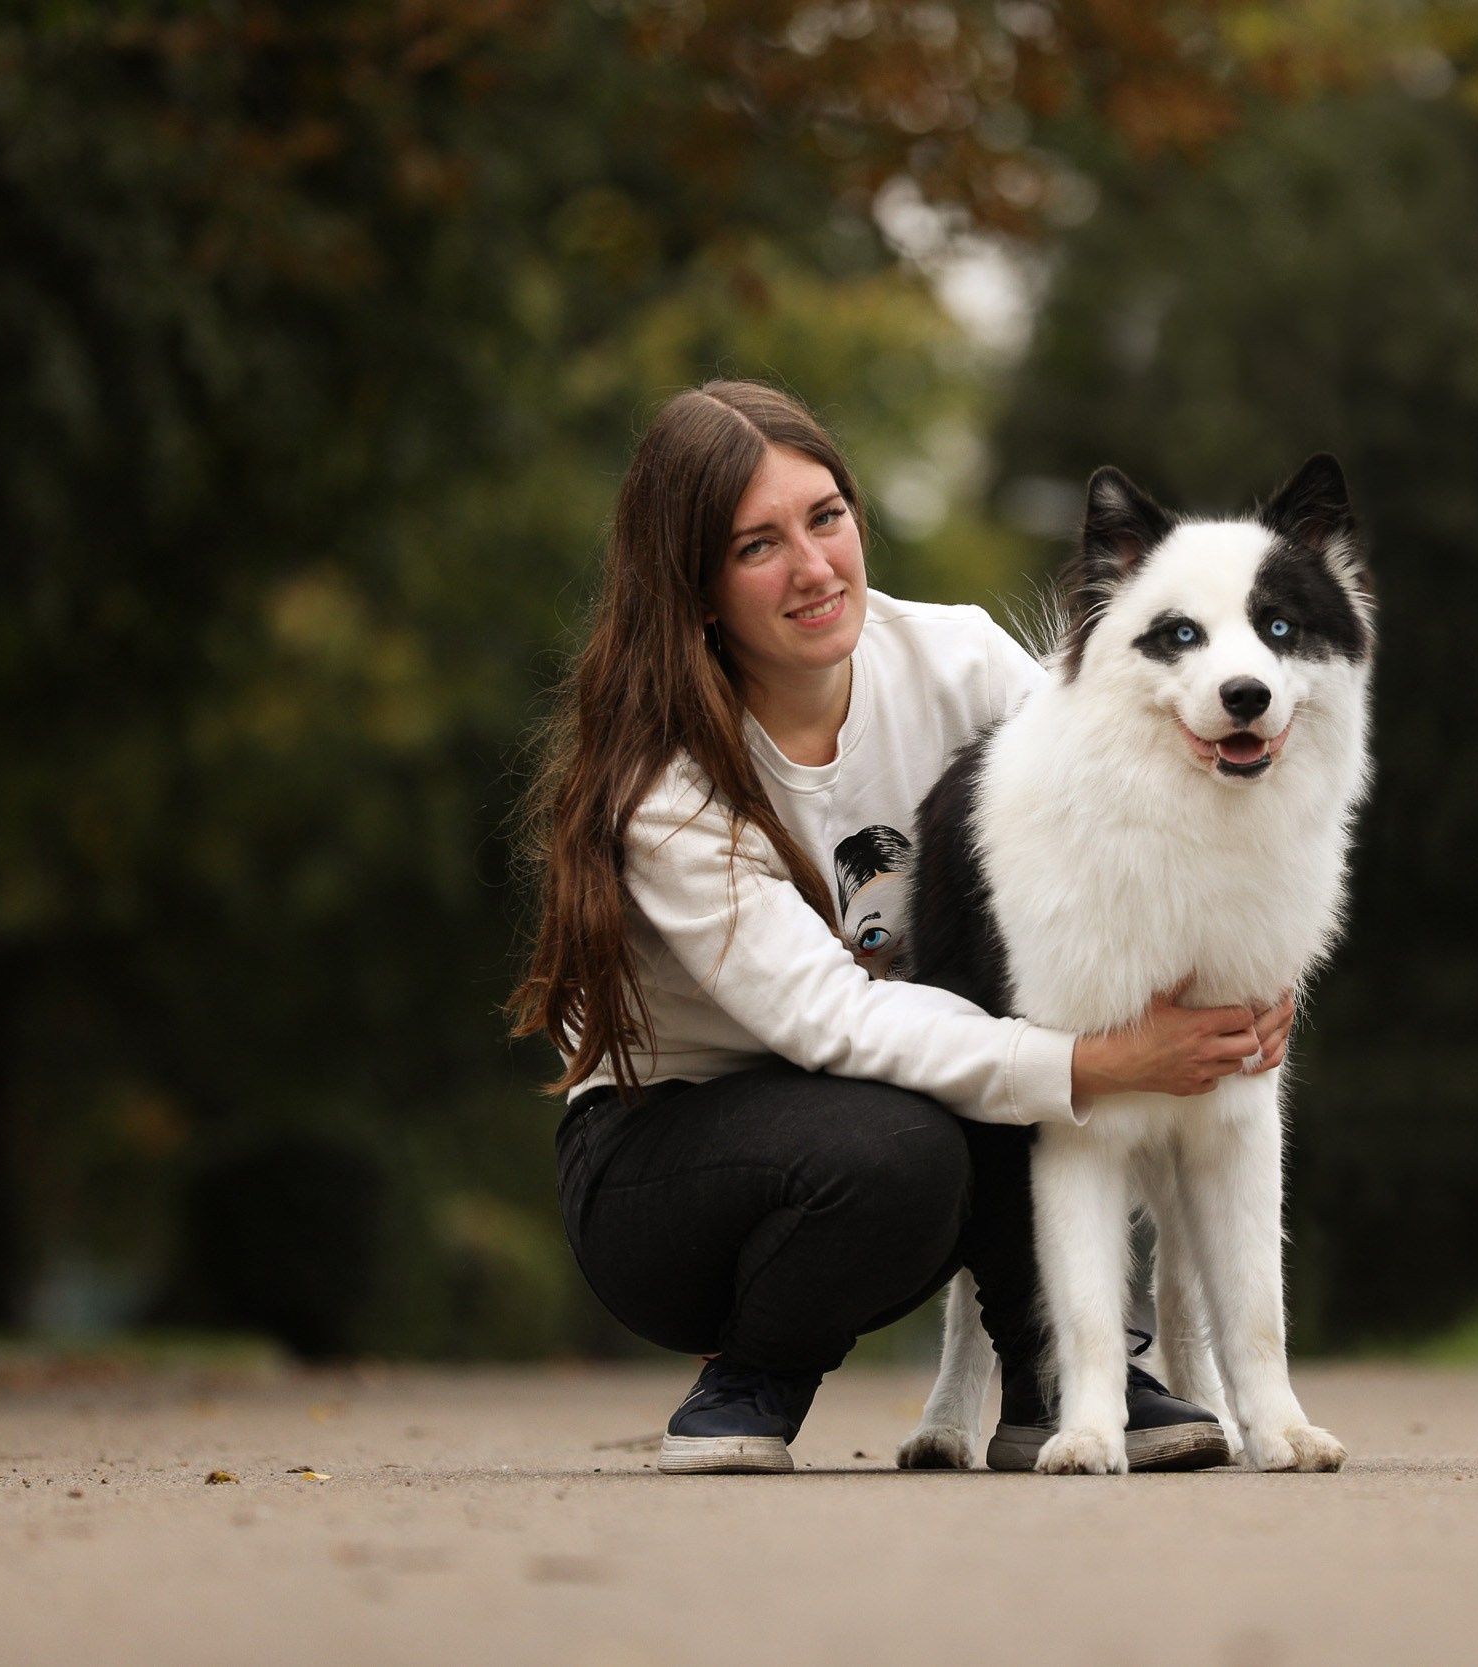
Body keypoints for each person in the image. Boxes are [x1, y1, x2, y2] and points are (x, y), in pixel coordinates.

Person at [509, 380, 1295, 1474]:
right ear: (692, 586)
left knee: (994, 1050)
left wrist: (1226, 984)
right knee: (912, 1126)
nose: (814, 566)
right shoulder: (664, 786)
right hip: (667, 1173)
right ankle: (753, 1374)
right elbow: (827, 1019)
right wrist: (1096, 1057)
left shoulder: (958, 662)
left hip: (891, 1117)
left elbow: (1128, 806)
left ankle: (1058, 1382)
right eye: (756, 545)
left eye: (825, 516)